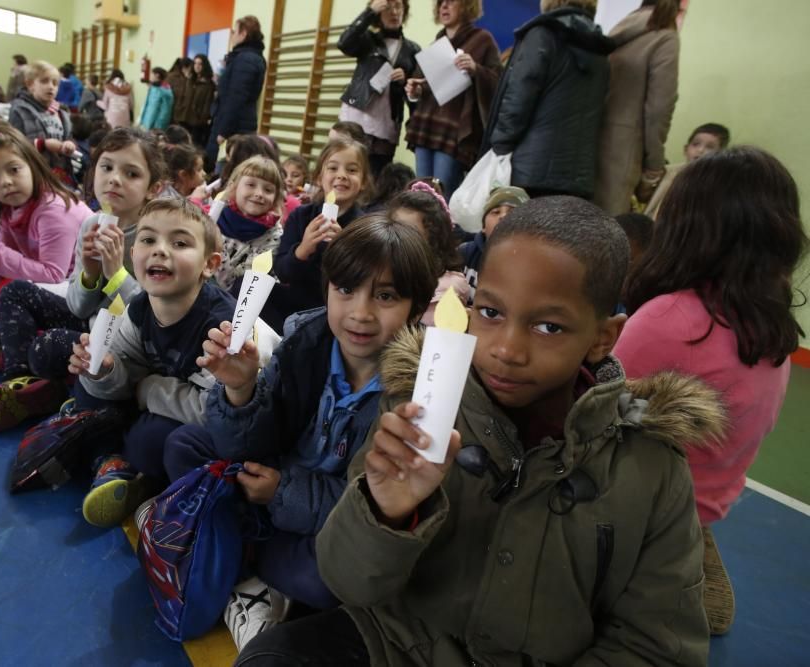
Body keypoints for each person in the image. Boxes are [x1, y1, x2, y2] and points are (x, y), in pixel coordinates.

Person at [239, 195, 720, 665]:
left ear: (602, 337)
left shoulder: (650, 466)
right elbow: (348, 581)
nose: (506, 349)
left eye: (548, 326)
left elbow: (657, 646)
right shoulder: (418, 407)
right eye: (491, 313)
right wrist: (383, 512)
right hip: (399, 644)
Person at [167, 214, 439, 650]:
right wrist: (240, 388)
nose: (361, 313)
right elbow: (248, 443)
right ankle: (249, 564)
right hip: (270, 483)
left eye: (385, 296)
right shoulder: (304, 339)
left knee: (325, 581)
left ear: (416, 305)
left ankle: (235, 557)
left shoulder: (413, 392)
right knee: (183, 444)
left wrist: (280, 493)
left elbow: (366, 504)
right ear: (327, 287)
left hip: (320, 524)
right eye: (346, 289)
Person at [613, 146, 807, 636]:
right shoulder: (773, 336)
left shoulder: (668, 319)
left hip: (640, 512)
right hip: (701, 508)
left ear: (686, 226)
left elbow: (597, 424)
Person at [0, 128, 163, 432]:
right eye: (106, 168)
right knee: (20, 302)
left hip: (128, 341)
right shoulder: (94, 223)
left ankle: (51, 384)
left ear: (153, 188)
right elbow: (78, 306)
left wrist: (116, 272)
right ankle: (20, 382)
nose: (114, 179)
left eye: (131, 173)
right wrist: (90, 272)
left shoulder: (156, 235)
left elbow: (152, 313)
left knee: (51, 351)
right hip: (92, 323)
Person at [68, 198, 237, 527]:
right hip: (168, 400)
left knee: (150, 441)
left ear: (210, 264)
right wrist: (103, 368)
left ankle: (131, 467)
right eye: (148, 240)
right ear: (133, 256)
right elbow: (122, 375)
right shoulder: (140, 307)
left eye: (180, 243)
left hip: (219, 425)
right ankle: (110, 460)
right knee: (87, 383)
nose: (160, 250)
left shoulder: (221, 327)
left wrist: (146, 388)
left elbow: (214, 410)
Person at [0, 125, 91, 331]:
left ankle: (7, 321)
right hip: (50, 281)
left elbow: (53, 275)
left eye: (14, 170)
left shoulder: (54, 210)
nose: (5, 182)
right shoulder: (10, 207)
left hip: (77, 287)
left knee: (16, 290)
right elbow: (2, 254)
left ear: (32, 165)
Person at [483, 0, 613, 199]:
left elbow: (517, 100)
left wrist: (498, 147)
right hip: (579, 177)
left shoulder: (542, 34)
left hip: (530, 170)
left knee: (522, 229)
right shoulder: (600, 49)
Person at [402, 0, 500, 200]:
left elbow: (499, 81)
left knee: (443, 195)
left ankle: (442, 232)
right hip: (426, 126)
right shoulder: (437, 43)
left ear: (466, 6)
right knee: (420, 192)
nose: (444, 7)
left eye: (450, 2)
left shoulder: (483, 39)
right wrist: (415, 89)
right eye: (441, 3)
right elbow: (423, 85)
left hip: (454, 131)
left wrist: (476, 69)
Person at [271, 139, 371, 326]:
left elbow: (361, 281)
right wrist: (303, 249)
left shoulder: (364, 226)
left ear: (364, 181)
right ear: (318, 177)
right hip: (295, 302)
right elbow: (282, 271)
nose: (341, 175)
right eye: (333, 168)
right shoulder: (301, 215)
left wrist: (343, 247)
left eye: (351, 170)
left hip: (333, 310)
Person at [594, 0, 681, 215]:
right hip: (622, 152)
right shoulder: (665, 36)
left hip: (589, 142)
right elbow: (659, 108)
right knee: (604, 235)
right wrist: (654, 165)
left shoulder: (619, 29)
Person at [338, 0, 422, 177]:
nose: (394, 11)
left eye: (398, 6)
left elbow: (416, 96)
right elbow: (344, 43)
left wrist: (405, 80)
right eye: (388, 7)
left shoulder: (413, 49)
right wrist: (369, 12)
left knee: (377, 176)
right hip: (357, 114)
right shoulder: (368, 39)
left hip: (387, 121)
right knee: (346, 168)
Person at [387, 183, 467, 325]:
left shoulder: (446, 288)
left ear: (433, 239)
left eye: (409, 232)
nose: (397, 237)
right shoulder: (381, 269)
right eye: (393, 227)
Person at [209, 155, 286, 292]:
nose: (259, 193)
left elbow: (235, 283)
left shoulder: (274, 236)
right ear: (233, 188)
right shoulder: (213, 220)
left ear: (275, 198)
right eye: (251, 185)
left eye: (268, 190)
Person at [205, 16, 267, 169]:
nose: (231, 35)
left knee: (222, 172)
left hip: (234, 128)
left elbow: (236, 97)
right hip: (240, 124)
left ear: (243, 33)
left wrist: (223, 131)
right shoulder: (252, 57)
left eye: (234, 31)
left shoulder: (245, 59)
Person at [458, 185, 529, 303]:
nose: (503, 216)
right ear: (483, 227)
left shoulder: (533, 263)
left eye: (512, 212)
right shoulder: (465, 253)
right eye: (495, 212)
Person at [644, 122, 729, 219]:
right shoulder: (668, 172)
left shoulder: (717, 183)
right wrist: (649, 179)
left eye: (710, 147)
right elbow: (644, 196)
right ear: (685, 149)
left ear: (720, 155)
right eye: (696, 144)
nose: (700, 150)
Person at [9, 61, 77, 173]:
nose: (51, 87)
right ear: (30, 84)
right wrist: (43, 144)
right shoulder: (20, 109)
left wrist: (70, 144)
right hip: (33, 171)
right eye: (44, 81)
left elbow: (68, 136)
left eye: (55, 83)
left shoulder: (62, 112)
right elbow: (13, 144)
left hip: (58, 172)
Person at [182, 55, 215, 148]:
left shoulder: (208, 84)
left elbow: (208, 103)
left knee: (195, 147)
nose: (197, 66)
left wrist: (203, 118)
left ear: (204, 66)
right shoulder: (190, 80)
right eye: (195, 63)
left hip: (198, 122)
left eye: (200, 64)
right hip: (186, 119)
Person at [166, 57, 191, 127]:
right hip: (176, 114)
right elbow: (184, 95)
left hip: (172, 113)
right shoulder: (181, 78)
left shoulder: (170, 75)